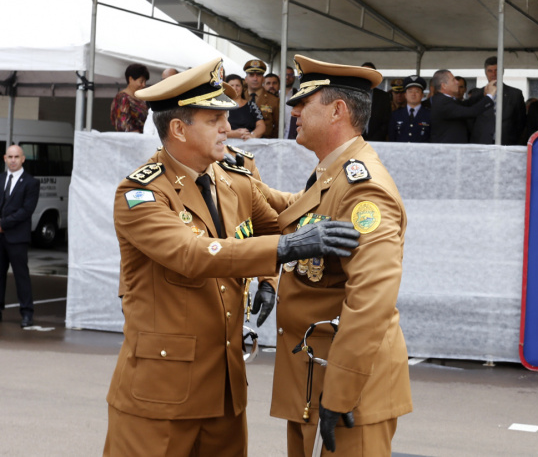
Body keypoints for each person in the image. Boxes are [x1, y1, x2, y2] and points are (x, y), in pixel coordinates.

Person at [103, 58, 360, 456]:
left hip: (224, 390)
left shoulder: (232, 179)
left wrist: (352, 186)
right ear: (178, 128)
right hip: (161, 395)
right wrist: (286, 250)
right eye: (214, 119)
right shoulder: (141, 195)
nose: (228, 127)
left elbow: (284, 216)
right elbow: (191, 254)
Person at [270, 54, 412, 457]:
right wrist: (234, 183)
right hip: (317, 374)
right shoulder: (334, 172)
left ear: (337, 111)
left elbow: (372, 298)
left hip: (349, 391)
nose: (293, 109)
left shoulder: (364, 187)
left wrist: (341, 393)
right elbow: (297, 207)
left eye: (304, 102)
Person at [0, 145, 39, 327]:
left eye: (16, 156)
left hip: (17, 238)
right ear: (5, 158)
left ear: (23, 159)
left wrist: (3, 224)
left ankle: (27, 313)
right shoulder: (0, 179)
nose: (13, 160)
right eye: (10, 156)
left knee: (21, 276)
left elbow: (26, 210)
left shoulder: (31, 183)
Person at [466, 56, 527, 145]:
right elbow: (470, 120)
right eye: (490, 71)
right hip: (481, 142)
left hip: (507, 143)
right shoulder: (476, 94)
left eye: (497, 70)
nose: (493, 74)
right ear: (485, 72)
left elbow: (521, 122)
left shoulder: (515, 94)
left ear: (502, 71)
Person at [430, 69, 497, 143]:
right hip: (448, 151)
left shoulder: (447, 99)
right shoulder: (442, 102)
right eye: (453, 80)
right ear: (444, 86)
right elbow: (471, 112)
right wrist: (490, 96)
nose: (457, 82)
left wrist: (484, 91)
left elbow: (467, 104)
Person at [388, 75, 431, 142]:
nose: (413, 94)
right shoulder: (396, 115)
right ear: (405, 95)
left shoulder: (430, 115)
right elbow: (392, 138)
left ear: (422, 95)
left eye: (417, 91)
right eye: (410, 91)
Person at [246, 59, 281, 139]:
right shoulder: (240, 97)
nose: (255, 78)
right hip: (241, 142)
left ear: (263, 79)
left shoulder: (274, 100)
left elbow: (278, 126)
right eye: (251, 75)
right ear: (246, 79)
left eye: (258, 75)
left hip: (265, 144)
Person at [111, 63, 150, 132]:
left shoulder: (142, 98)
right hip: (132, 139)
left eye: (145, 81)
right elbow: (123, 125)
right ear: (131, 79)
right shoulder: (122, 98)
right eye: (141, 81)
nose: (144, 85)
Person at [226, 73, 266, 140]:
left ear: (242, 87)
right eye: (231, 85)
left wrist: (252, 135)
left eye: (238, 85)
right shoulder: (220, 106)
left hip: (249, 145)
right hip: (227, 147)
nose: (235, 88)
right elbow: (215, 129)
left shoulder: (251, 105)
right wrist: (233, 134)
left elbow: (261, 125)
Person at [361, 62, 392, 142]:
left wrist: (375, 139)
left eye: (370, 73)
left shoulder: (384, 96)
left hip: (377, 142)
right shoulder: (351, 95)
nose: (367, 76)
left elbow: (386, 121)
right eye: (364, 73)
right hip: (356, 142)